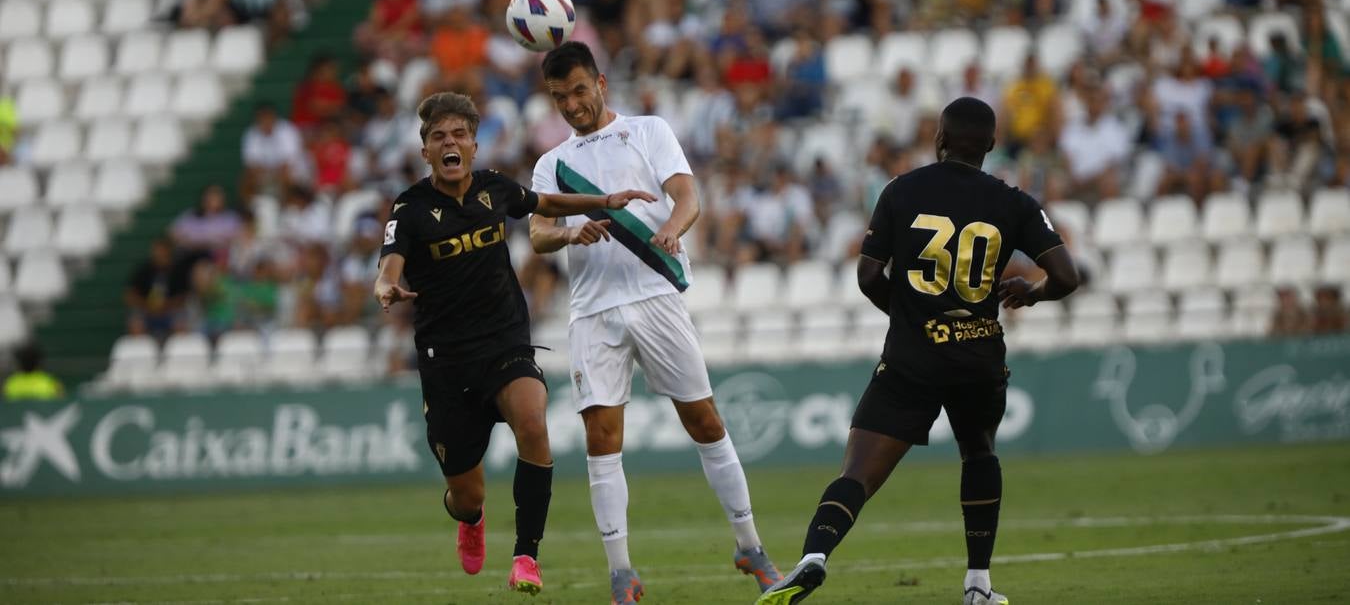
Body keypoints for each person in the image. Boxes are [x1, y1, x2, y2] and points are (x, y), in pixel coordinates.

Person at [757, 97, 1079, 605]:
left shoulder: (901, 191)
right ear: (992, 146)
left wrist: (912, 320)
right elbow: (1066, 276)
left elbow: (867, 275)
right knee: (979, 451)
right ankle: (978, 585)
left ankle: (813, 557)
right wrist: (1030, 292)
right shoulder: (1014, 202)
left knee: (857, 474)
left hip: (912, 358)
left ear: (939, 139)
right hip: (978, 354)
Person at [527, 42, 783, 604]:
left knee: (704, 421)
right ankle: (621, 573)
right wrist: (570, 232)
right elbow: (539, 233)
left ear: (600, 83)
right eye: (558, 98)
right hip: (592, 311)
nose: (571, 105)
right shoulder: (551, 164)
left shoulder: (647, 131)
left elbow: (688, 195)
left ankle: (750, 546)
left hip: (654, 294)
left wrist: (673, 228)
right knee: (602, 437)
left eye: (577, 91)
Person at [373, 91, 656, 597]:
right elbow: (390, 262)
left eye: (459, 134)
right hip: (446, 361)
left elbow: (544, 203)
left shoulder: (494, 190)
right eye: (439, 136)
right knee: (466, 492)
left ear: (474, 146)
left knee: (532, 418)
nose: (450, 142)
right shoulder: (410, 208)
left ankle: (527, 554)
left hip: (505, 341)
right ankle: (471, 518)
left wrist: (603, 200)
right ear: (426, 152)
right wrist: (384, 285)